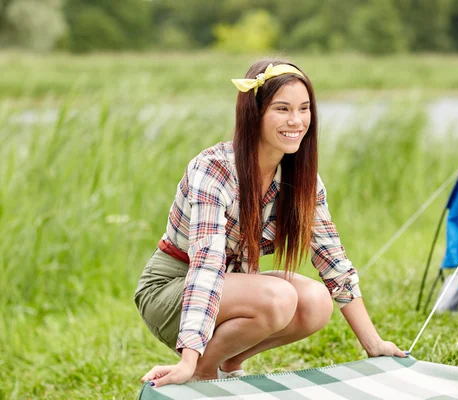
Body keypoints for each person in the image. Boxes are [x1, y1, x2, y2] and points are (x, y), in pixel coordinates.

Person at [135, 59, 407, 388]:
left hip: (231, 284)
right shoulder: (213, 169)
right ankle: (201, 372)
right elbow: (205, 267)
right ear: (255, 113)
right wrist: (188, 358)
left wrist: (374, 344)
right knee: (278, 297)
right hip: (174, 287)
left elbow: (333, 261)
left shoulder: (302, 180)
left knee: (316, 303)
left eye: (304, 109)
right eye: (282, 109)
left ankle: (229, 361)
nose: (296, 121)